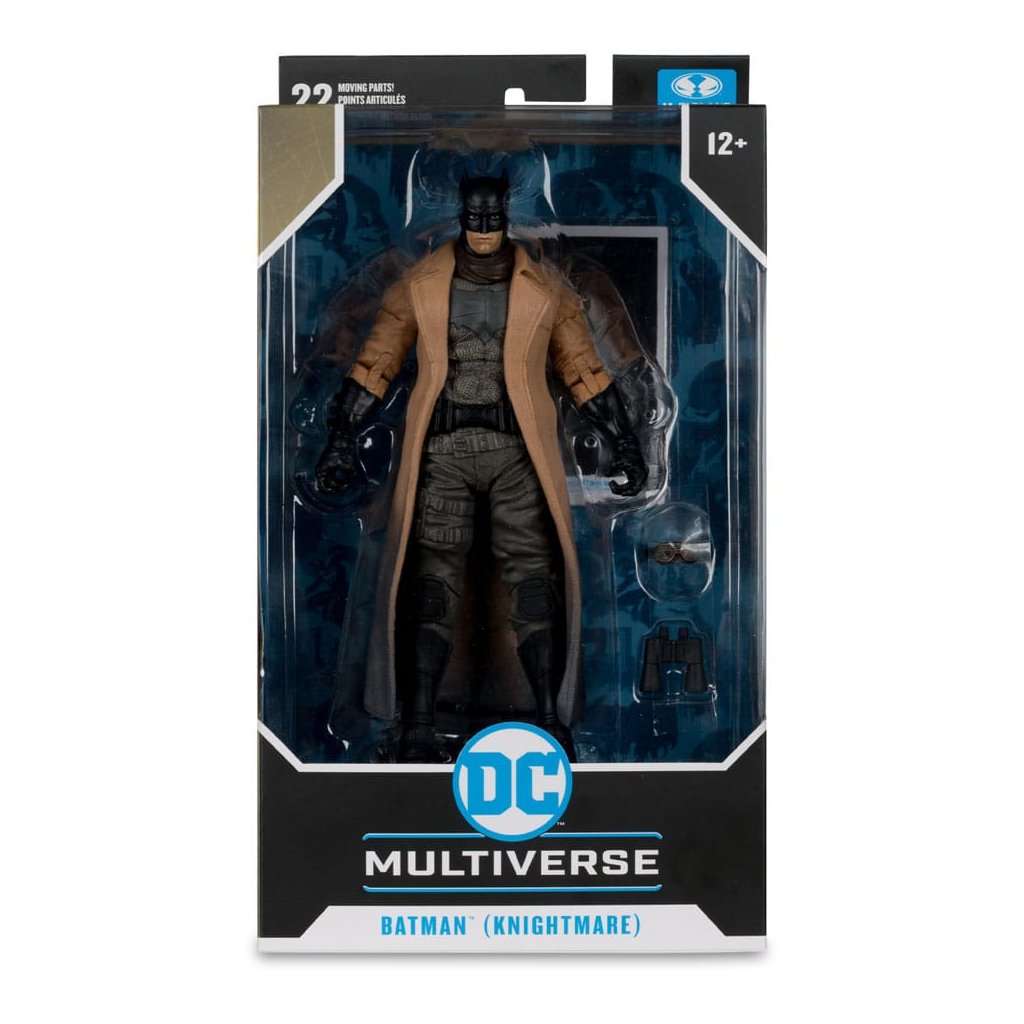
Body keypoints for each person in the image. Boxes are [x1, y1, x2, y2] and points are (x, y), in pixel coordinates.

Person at [316, 172, 646, 761]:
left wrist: (624, 440)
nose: (486, 231)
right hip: (443, 452)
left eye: (494, 220)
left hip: (517, 453)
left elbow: (584, 372)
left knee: (535, 581)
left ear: (507, 219)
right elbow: (374, 366)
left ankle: (549, 720)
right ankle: (417, 724)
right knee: (430, 582)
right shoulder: (419, 285)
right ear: (464, 218)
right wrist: (340, 439)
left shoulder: (545, 290)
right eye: (476, 220)